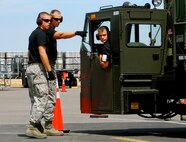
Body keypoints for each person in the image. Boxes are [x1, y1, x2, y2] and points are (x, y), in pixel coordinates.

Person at [42, 9, 86, 136]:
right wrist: (76, 33)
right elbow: (60, 35)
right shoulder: (49, 30)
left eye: (61, 19)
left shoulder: (46, 30)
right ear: (50, 19)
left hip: (50, 64)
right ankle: (47, 125)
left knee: (48, 96)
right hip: (47, 65)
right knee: (49, 96)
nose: (59, 21)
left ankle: (45, 125)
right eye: (56, 19)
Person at [26, 12, 56, 139]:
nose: (50, 22)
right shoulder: (40, 34)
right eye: (46, 20)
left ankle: (37, 125)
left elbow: (28, 53)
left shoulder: (34, 33)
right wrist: (49, 71)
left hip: (32, 67)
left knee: (36, 98)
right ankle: (32, 126)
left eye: (50, 20)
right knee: (43, 96)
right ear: (39, 21)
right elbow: (42, 52)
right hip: (38, 68)